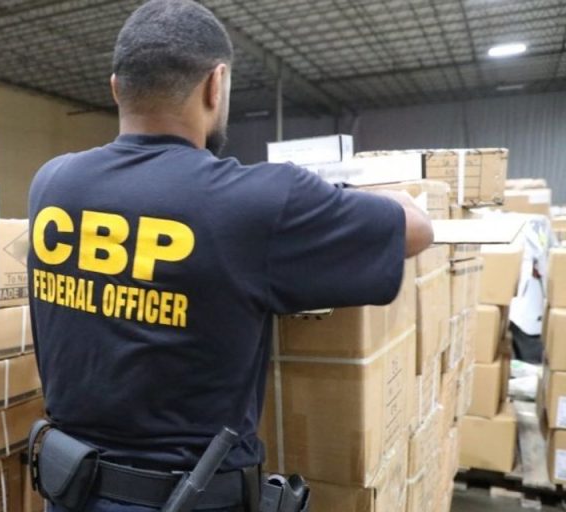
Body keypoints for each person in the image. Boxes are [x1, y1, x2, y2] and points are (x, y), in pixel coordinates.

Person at [26, 1, 433, 511]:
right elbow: (416, 229)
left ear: (115, 88)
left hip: (69, 493)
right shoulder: (256, 202)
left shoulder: (52, 184)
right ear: (215, 85)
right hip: (188, 501)